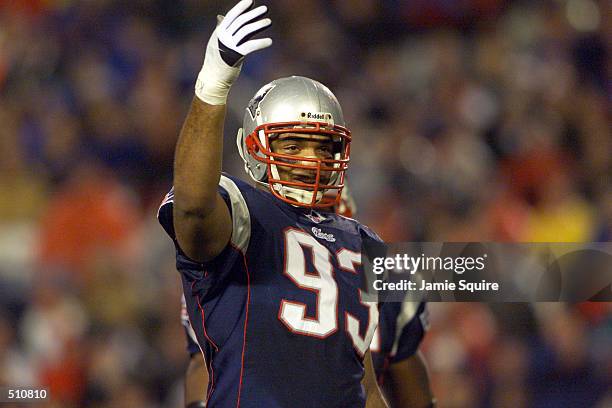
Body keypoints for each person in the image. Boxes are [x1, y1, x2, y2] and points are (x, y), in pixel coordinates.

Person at [158, 1, 387, 406]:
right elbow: (193, 209)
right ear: (253, 149)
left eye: (322, 147)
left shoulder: (362, 242)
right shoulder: (243, 209)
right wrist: (214, 84)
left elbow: (361, 383)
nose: (309, 160)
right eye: (293, 144)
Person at [180, 189, 435, 408]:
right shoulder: (238, 264)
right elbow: (206, 368)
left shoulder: (386, 272)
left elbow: (393, 384)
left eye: (324, 213)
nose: (315, 223)